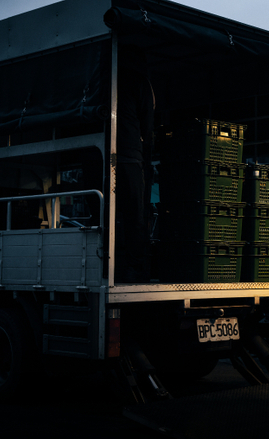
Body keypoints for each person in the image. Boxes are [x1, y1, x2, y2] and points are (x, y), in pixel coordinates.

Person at [115, 45, 155, 282]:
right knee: (134, 215)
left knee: (105, 214)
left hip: (102, 154)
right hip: (130, 155)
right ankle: (134, 267)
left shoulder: (103, 77)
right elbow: (147, 124)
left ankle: (110, 263)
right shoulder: (140, 82)